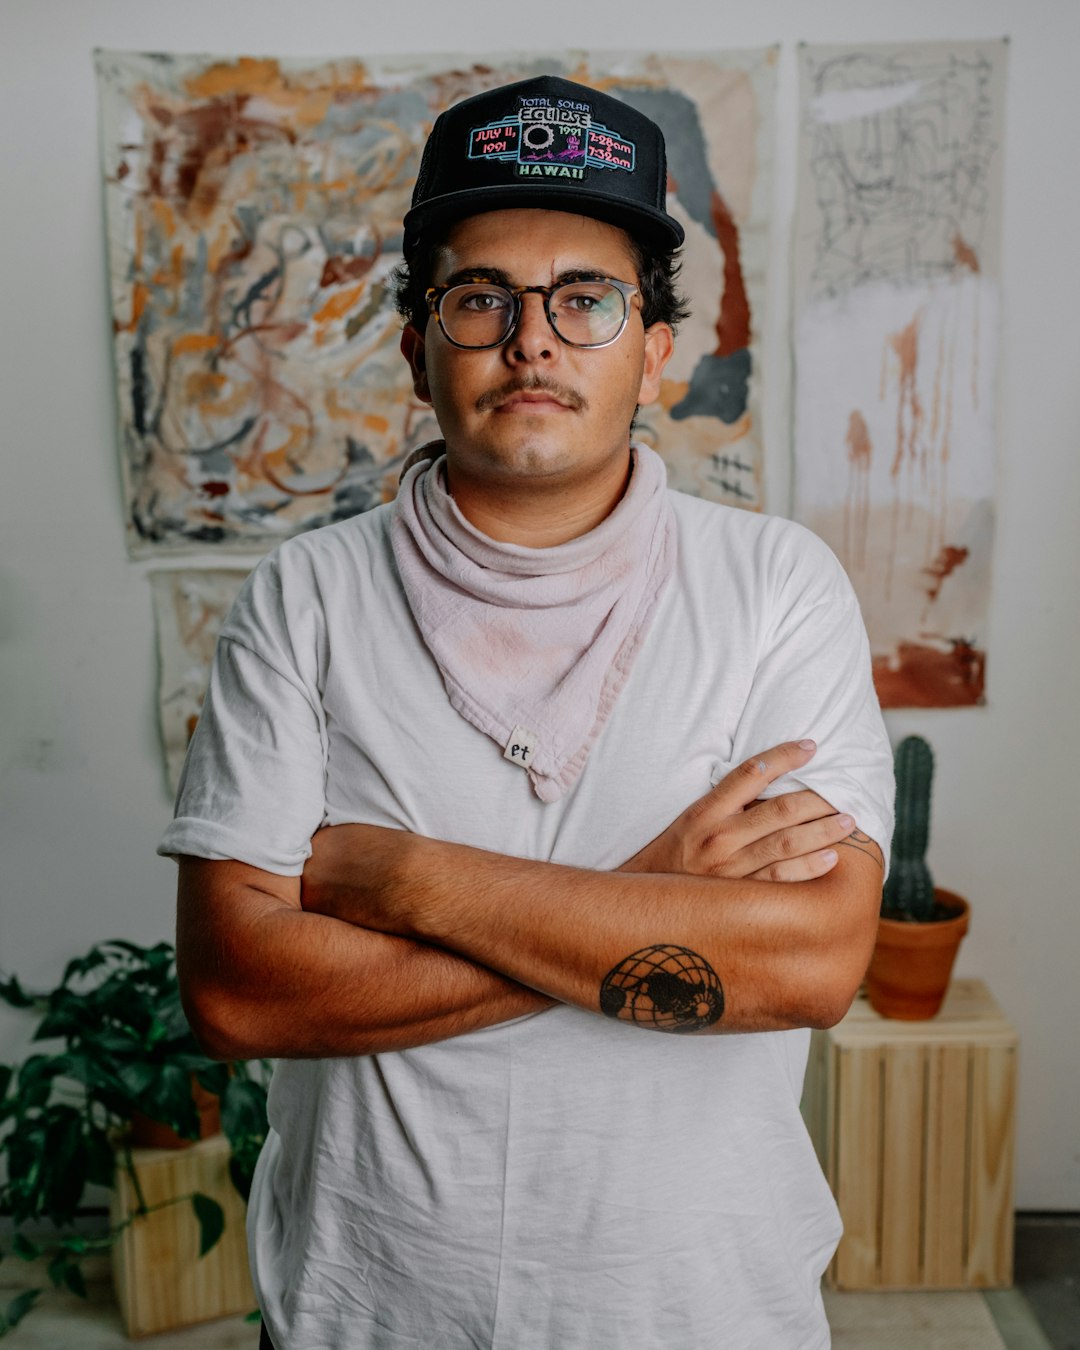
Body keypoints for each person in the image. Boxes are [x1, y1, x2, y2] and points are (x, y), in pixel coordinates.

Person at [164, 75, 894, 1350]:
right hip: (366, 1307)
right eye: (479, 298)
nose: (534, 339)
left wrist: (402, 879)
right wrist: (662, 887)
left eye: (587, 299)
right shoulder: (306, 601)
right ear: (415, 347)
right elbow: (239, 994)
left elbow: (810, 964)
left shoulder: (777, 588)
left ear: (656, 353)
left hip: (698, 1310)